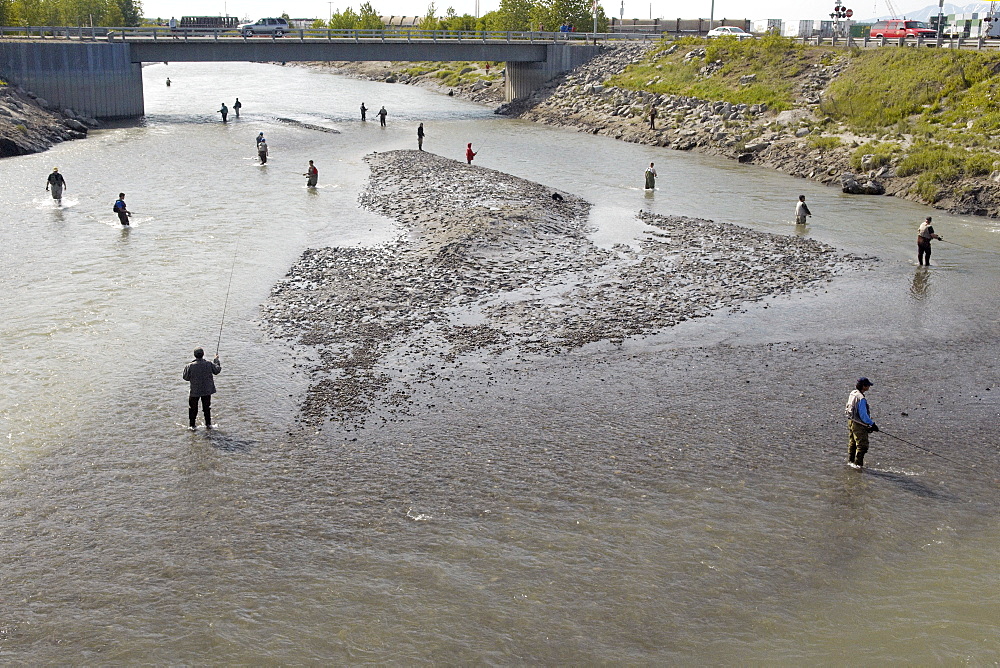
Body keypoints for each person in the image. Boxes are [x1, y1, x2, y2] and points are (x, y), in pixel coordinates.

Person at [183, 347, 221, 430]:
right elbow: (217, 370)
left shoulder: (190, 366)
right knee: (206, 408)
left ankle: (192, 426)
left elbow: (185, 377)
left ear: (194, 355)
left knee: (193, 409)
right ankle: (208, 425)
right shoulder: (209, 364)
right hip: (207, 391)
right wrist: (216, 360)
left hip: (194, 391)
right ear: (203, 354)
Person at [845, 377, 878, 468]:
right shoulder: (861, 398)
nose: (869, 387)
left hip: (851, 421)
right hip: (859, 424)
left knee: (852, 443)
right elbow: (863, 415)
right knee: (862, 446)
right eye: (868, 385)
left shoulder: (853, 393)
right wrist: (872, 424)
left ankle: (850, 462)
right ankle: (858, 466)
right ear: (863, 386)